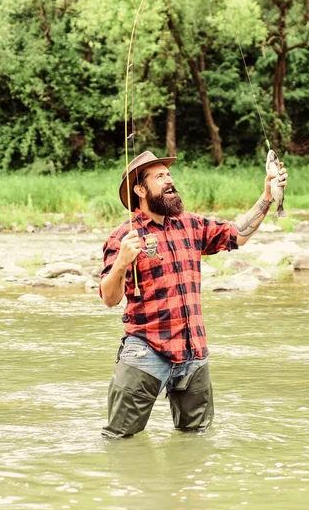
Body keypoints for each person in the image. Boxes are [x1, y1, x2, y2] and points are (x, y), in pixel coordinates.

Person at [99, 150, 288, 438]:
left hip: (193, 353)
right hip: (146, 352)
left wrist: (267, 196)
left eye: (169, 174)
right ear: (140, 189)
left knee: (196, 440)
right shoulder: (123, 237)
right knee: (120, 440)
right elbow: (110, 298)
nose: (169, 180)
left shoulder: (190, 224)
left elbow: (237, 235)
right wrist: (122, 262)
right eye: (159, 176)